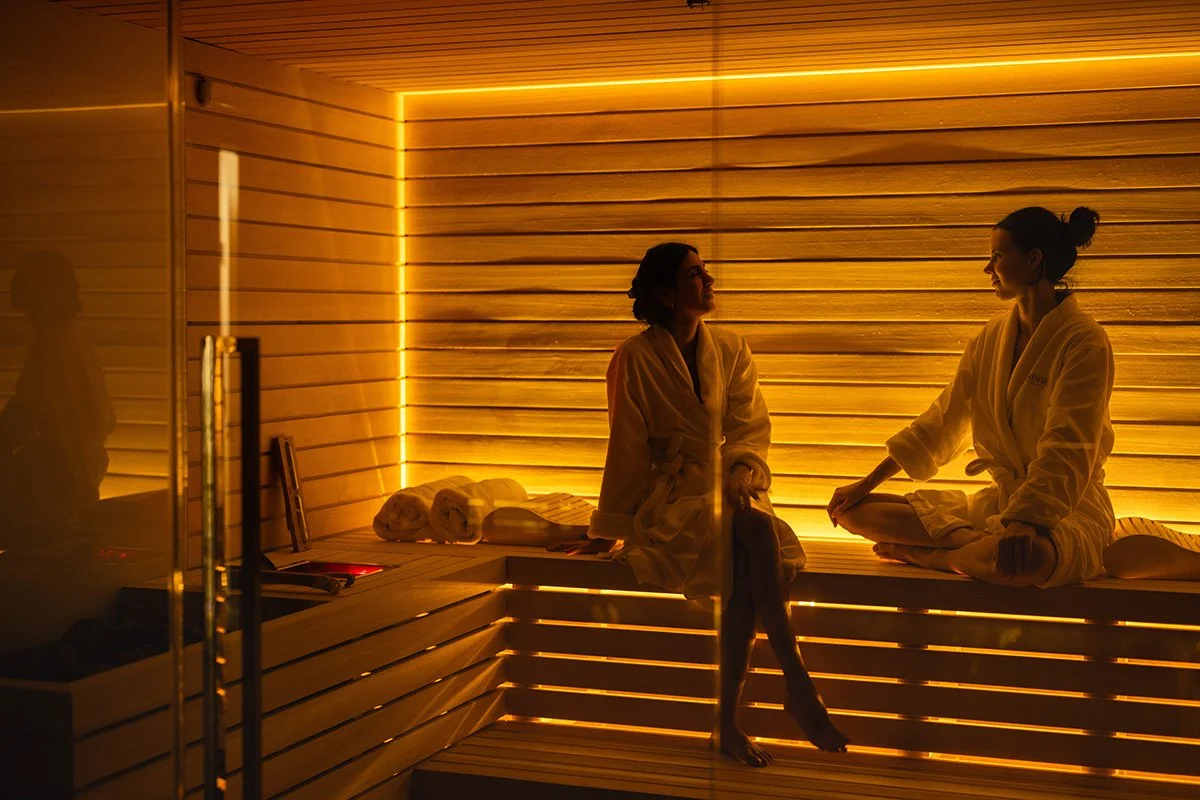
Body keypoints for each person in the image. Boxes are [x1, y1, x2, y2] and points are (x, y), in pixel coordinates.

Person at [575, 242, 848, 764]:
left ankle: (733, 722)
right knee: (754, 537)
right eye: (695, 274)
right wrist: (608, 528)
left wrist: (742, 470)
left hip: (732, 486)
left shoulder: (730, 348)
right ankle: (796, 682)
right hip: (675, 497)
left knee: (747, 558)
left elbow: (749, 425)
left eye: (705, 271)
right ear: (665, 294)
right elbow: (626, 446)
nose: (709, 280)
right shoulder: (633, 358)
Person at [827, 207, 1114, 588]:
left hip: (1063, 512)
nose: (987, 268)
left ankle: (931, 556)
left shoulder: (1083, 341)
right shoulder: (990, 339)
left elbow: (1070, 445)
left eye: (997, 256)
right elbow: (941, 421)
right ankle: (975, 546)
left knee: (1029, 559)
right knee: (854, 512)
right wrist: (866, 484)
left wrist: (1028, 520)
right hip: (1000, 505)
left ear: (1033, 259)